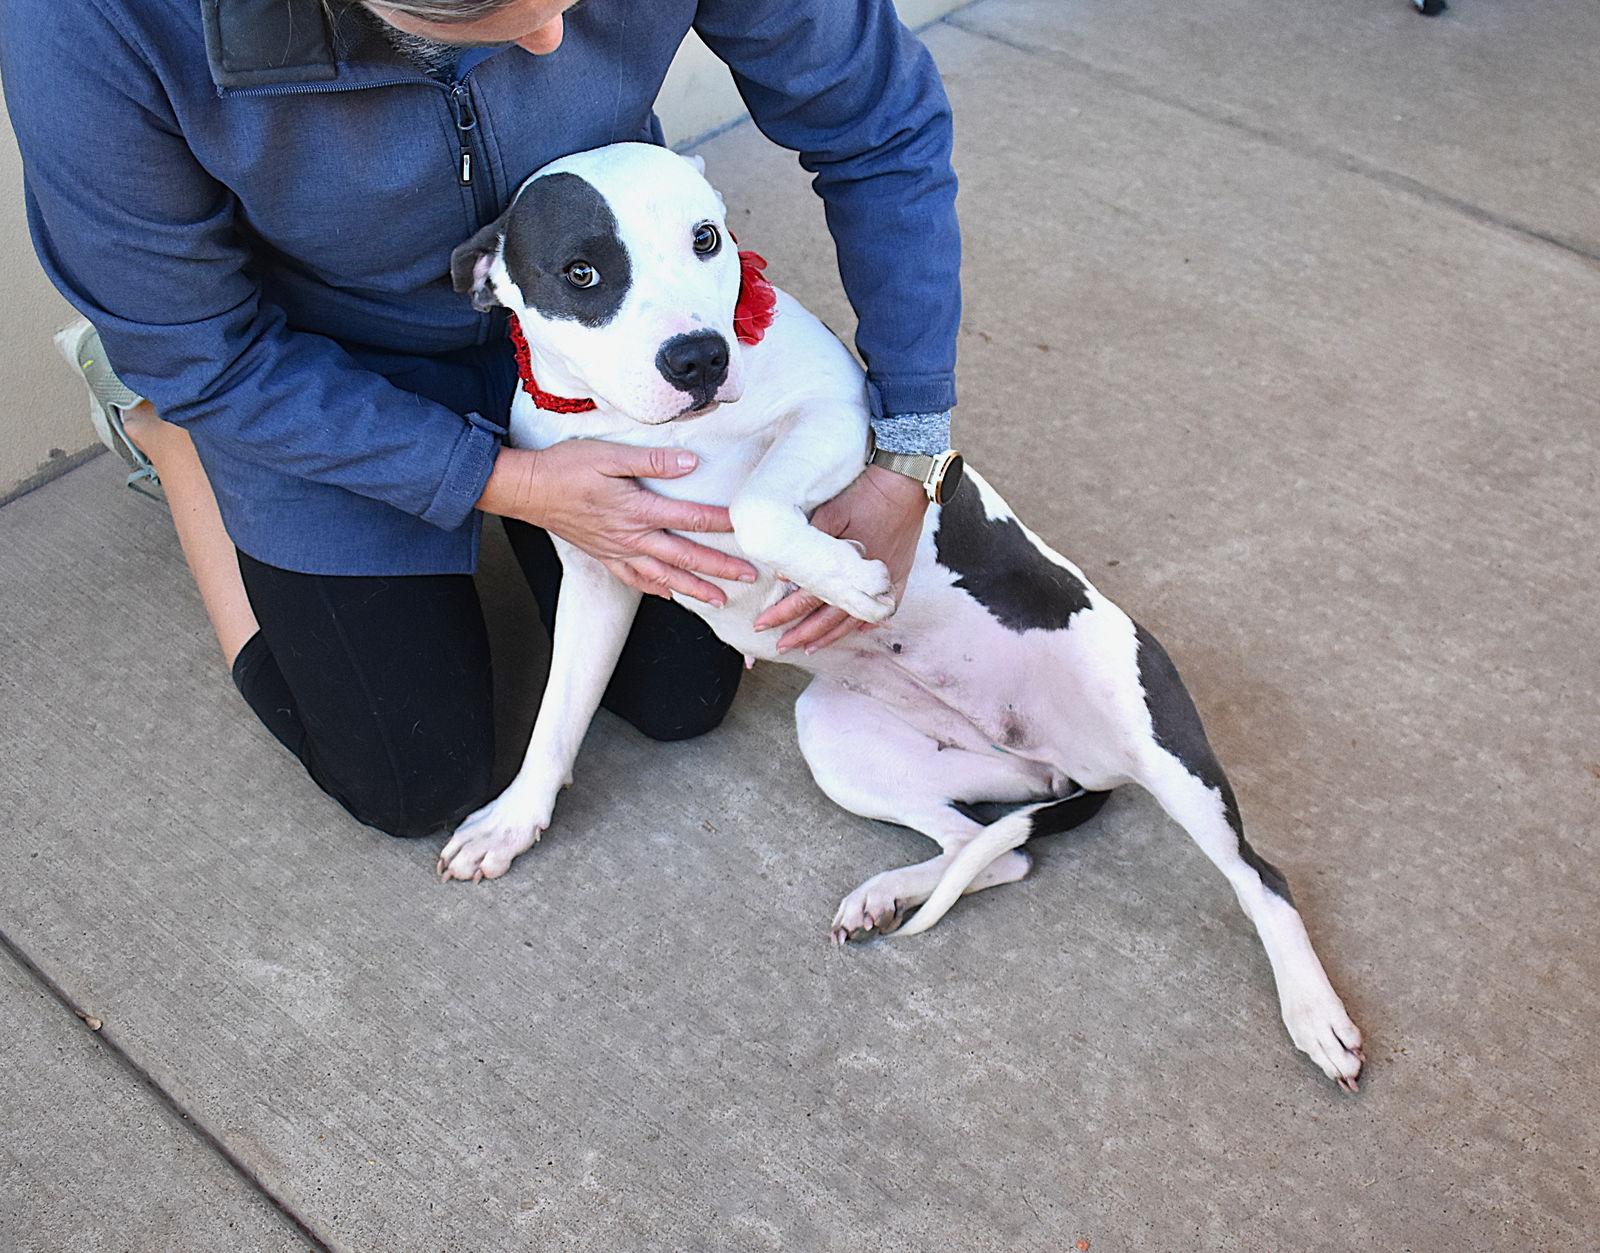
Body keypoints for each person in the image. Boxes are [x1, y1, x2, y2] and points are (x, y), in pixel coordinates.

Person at [0, 0, 962, 840]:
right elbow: (201, 355)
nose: (556, 38)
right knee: (413, 779)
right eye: (482, 22)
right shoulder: (89, 18)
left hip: (586, 313)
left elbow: (879, 122)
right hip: (313, 362)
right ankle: (168, 438)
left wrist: (911, 443)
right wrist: (511, 483)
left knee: (680, 698)